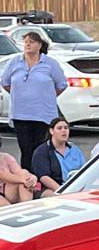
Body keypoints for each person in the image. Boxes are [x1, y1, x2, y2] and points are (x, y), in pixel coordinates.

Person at [0, 31, 67, 172]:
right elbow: (5, 82)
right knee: (26, 149)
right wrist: (19, 95)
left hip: (43, 114)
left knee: (40, 148)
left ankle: (41, 179)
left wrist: (46, 96)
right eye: (26, 42)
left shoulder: (50, 64)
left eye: (31, 41)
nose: (28, 44)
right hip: (21, 114)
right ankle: (27, 181)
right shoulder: (15, 62)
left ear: (39, 45)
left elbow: (61, 84)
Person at [31, 117, 86, 195]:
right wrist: (62, 191)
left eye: (66, 128)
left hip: (76, 187)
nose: (63, 130)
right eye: (59, 128)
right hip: (51, 188)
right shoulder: (42, 151)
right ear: (51, 131)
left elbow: (84, 170)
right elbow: (43, 177)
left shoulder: (75, 149)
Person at [0, 139, 37, 205]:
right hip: (3, 191)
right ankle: (26, 206)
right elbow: (4, 176)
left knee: (24, 173)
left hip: (8, 189)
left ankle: (26, 205)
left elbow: (20, 172)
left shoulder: (5, 157)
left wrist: (32, 178)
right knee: (6, 206)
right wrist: (25, 180)